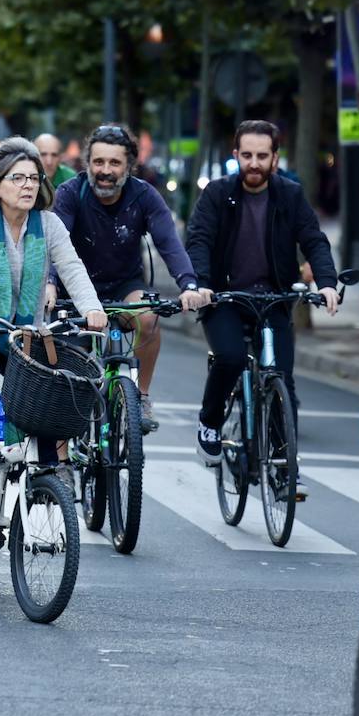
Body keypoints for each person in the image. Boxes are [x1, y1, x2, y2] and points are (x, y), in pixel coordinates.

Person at [0, 137, 106, 551]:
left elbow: (73, 268)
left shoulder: (48, 225)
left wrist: (93, 309)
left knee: (44, 421)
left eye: (34, 178)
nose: (28, 185)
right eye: (18, 178)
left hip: (26, 343)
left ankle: (42, 502)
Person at [189, 119, 338, 496]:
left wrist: (328, 283)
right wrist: (199, 284)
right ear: (236, 155)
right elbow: (200, 240)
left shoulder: (290, 195)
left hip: (271, 299)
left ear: (275, 158)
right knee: (230, 357)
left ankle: (286, 469)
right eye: (247, 155)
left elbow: (314, 240)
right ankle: (209, 421)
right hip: (224, 298)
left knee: (280, 376)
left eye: (262, 156)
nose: (254, 163)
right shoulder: (217, 195)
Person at [50, 124, 209, 432]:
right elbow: (55, 243)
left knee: (148, 318)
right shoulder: (70, 193)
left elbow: (169, 244)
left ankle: (141, 396)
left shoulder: (144, 195)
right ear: (87, 163)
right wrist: (50, 283)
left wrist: (188, 284)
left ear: (128, 166)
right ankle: (64, 462)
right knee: (72, 380)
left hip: (125, 285)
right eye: (98, 162)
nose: (105, 171)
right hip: (77, 291)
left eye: (114, 163)